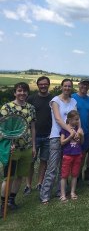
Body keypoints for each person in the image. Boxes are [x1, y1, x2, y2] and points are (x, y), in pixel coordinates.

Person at [0, 82, 36, 218]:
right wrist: (8, 143)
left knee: (20, 176)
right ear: (15, 92)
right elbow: (1, 128)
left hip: (26, 148)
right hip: (12, 149)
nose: (22, 93)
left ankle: (11, 201)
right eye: (19, 91)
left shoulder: (31, 108)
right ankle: (2, 205)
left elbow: (32, 128)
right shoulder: (7, 107)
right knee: (8, 177)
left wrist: (33, 146)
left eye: (25, 91)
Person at [40, 79, 77, 204]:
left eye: (69, 86)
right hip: (56, 136)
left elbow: (77, 118)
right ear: (61, 87)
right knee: (52, 167)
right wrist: (71, 131)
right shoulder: (55, 101)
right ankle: (45, 194)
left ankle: (59, 191)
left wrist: (78, 130)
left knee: (64, 166)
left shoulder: (73, 101)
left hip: (70, 137)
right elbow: (58, 119)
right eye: (65, 86)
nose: (67, 88)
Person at [24, 76, 53, 194]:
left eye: (45, 84)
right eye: (41, 84)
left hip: (48, 135)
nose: (43, 86)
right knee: (30, 161)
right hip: (33, 136)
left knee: (43, 160)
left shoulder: (53, 99)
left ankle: (40, 183)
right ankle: (28, 185)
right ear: (37, 85)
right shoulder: (31, 99)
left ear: (48, 85)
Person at [72, 79, 89, 181]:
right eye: (83, 84)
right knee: (71, 155)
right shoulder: (72, 97)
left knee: (82, 156)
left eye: (87, 85)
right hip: (72, 132)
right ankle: (69, 177)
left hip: (86, 132)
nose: (84, 87)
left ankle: (78, 176)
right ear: (79, 85)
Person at [60, 110, 83, 202]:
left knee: (74, 174)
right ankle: (62, 194)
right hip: (67, 155)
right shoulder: (65, 129)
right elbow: (62, 142)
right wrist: (70, 136)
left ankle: (72, 192)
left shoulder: (78, 129)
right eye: (76, 119)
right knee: (64, 175)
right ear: (69, 120)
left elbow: (81, 142)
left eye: (78, 119)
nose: (77, 121)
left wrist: (81, 136)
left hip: (77, 154)